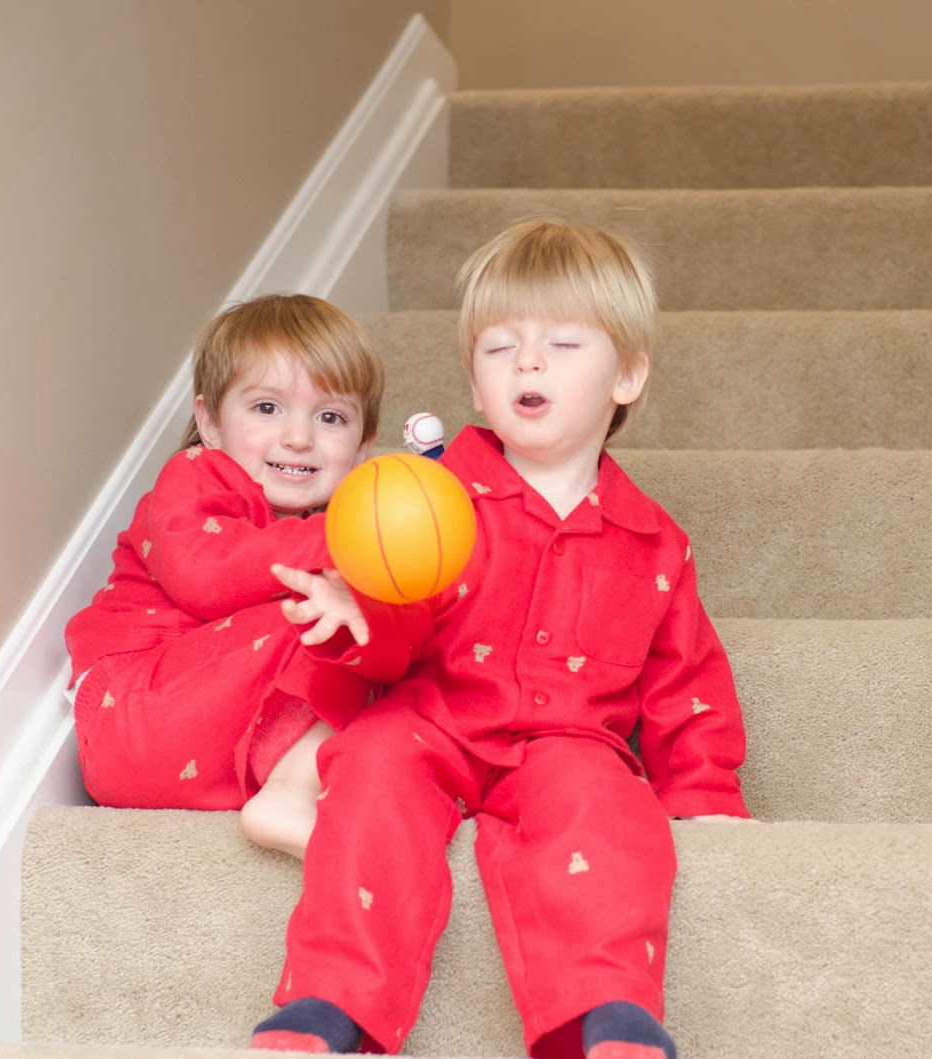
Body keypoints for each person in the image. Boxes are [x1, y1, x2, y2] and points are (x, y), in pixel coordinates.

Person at [252, 220, 751, 1059]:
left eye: (563, 343)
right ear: (477, 389)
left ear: (627, 376)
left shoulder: (655, 543)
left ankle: (602, 1015)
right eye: (500, 347)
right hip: (435, 718)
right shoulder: (433, 495)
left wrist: (704, 795)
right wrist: (356, 616)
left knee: (607, 808)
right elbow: (396, 630)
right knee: (371, 764)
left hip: (569, 739)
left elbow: (688, 685)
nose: (528, 363)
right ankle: (331, 1006)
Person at [63, 293, 384, 858]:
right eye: (267, 408)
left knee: (380, 635)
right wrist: (349, 540)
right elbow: (206, 579)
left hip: (222, 740)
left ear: (362, 449)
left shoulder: (323, 528)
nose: (299, 437)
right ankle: (292, 793)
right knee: (328, 618)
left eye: (330, 417)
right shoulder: (197, 475)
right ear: (209, 422)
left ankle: (301, 784)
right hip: (133, 710)